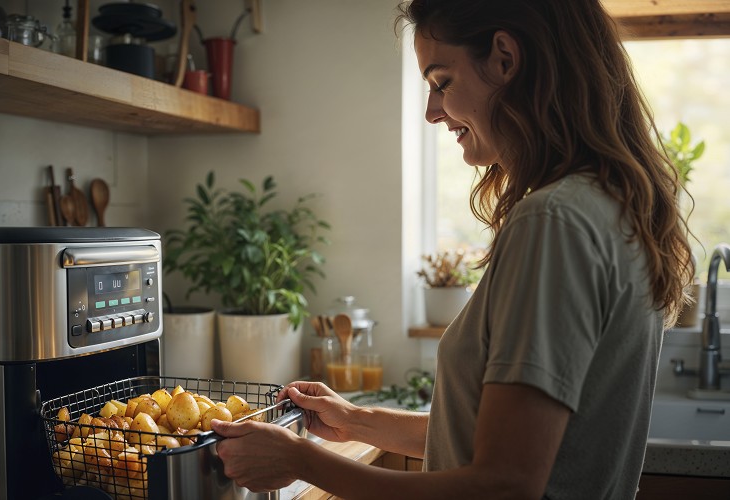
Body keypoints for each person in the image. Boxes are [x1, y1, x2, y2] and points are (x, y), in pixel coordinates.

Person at [211, 0, 694, 498]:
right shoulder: (611, 208)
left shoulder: (554, 221)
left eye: (442, 82)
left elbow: (502, 486)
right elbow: (506, 446)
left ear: (505, 58)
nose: (430, 112)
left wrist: (302, 461)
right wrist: (356, 420)